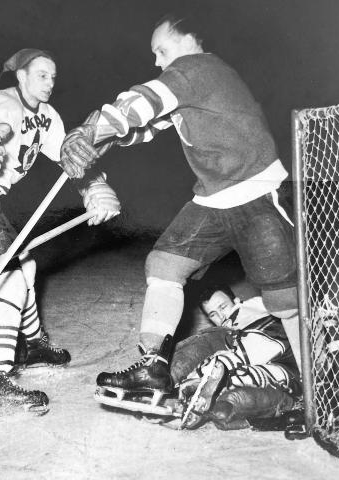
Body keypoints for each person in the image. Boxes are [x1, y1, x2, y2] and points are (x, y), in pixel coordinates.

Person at [59, 13, 300, 410]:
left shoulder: (198, 69)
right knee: (165, 264)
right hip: (214, 200)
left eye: (161, 50)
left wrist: (90, 130)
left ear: (189, 40)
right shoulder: (190, 84)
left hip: (258, 194)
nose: (157, 61)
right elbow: (145, 126)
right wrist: (102, 142)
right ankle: (153, 367)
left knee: (285, 301)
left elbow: (143, 101)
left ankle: (315, 383)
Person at [0, 49, 121, 419]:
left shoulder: (47, 116)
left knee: (24, 264)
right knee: (8, 277)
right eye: (42, 75)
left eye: (53, 76)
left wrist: (94, 187)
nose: (50, 82)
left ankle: (32, 347)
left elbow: (71, 158)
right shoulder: (4, 106)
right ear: (21, 77)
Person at [173, 285, 302, 430]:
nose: (221, 316)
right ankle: (187, 390)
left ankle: (192, 378)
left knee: (223, 356)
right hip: (281, 372)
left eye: (223, 307)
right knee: (226, 404)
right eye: (213, 314)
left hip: (279, 344)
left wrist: (198, 374)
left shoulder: (254, 304)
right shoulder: (226, 329)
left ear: (236, 301)